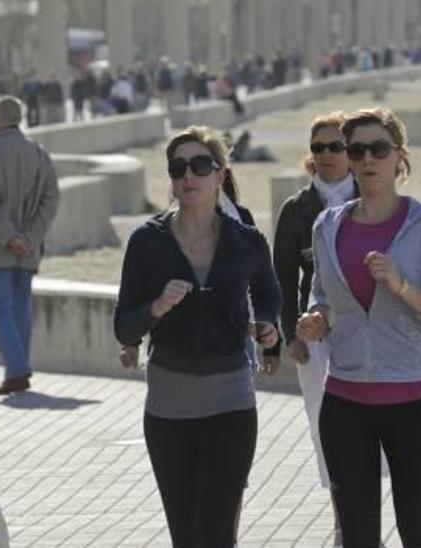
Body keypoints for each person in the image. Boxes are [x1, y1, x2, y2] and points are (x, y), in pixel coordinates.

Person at [294, 108, 421, 548]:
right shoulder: (327, 226)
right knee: (356, 538)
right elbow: (322, 292)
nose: (368, 159)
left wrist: (402, 286)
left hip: (414, 404)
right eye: (357, 150)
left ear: (399, 158)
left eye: (379, 149)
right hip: (344, 403)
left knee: (418, 535)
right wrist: (318, 319)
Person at [114, 126, 281, 548]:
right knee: (186, 536)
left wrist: (269, 328)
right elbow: (124, 324)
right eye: (178, 168)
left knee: (217, 533)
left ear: (219, 176)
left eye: (200, 166)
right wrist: (156, 308)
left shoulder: (247, 240)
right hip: (169, 408)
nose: (188, 176)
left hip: (231, 402)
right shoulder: (147, 242)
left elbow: (269, 296)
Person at [266, 111, 356, 546]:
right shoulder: (296, 210)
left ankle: (366, 517)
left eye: (335, 147)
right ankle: (344, 522)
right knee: (328, 431)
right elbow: (281, 277)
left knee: (372, 434)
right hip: (314, 335)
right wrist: (290, 334)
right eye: (318, 148)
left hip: (369, 333)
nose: (326, 155)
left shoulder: (373, 196)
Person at [0, 96, 60, 395]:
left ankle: (17, 369)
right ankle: (18, 370)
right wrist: (29, 238)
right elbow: (51, 199)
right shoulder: (39, 154)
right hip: (27, 250)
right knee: (21, 311)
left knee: (1, 313)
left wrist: (10, 237)